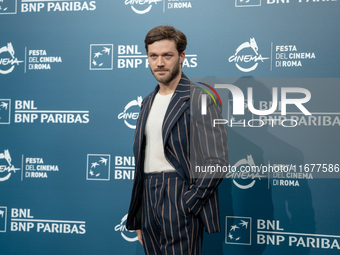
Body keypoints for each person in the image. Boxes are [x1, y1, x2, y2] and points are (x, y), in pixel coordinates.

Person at [126, 25, 229, 255]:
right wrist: (141, 214)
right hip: (148, 199)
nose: (159, 63)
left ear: (182, 57)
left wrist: (189, 202)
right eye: (153, 56)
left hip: (179, 194)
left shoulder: (198, 98)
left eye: (167, 55)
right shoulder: (147, 102)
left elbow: (217, 161)